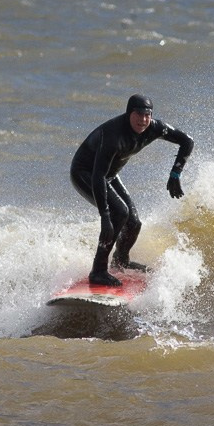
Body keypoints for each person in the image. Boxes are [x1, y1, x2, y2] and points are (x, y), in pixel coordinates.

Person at [70, 94, 194, 286]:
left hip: (110, 174)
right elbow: (98, 176)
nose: (143, 120)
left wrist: (175, 174)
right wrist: (105, 216)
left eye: (147, 115)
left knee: (134, 223)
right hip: (86, 173)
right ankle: (98, 270)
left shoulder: (155, 128)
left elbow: (187, 141)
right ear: (129, 113)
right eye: (138, 114)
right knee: (119, 213)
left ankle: (120, 261)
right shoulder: (113, 135)